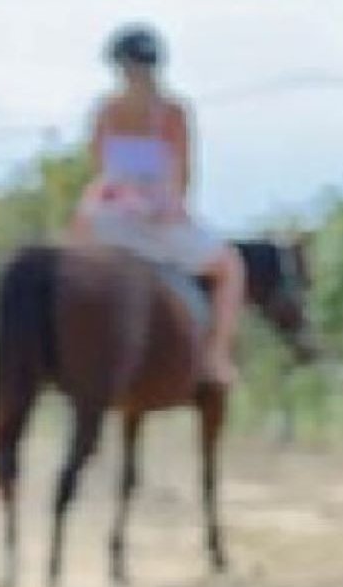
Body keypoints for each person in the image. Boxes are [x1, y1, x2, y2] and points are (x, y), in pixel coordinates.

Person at [69, 24, 247, 385]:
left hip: (110, 219)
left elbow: (100, 169)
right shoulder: (172, 113)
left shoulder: (105, 112)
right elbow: (181, 177)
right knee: (230, 268)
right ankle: (216, 356)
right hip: (155, 221)